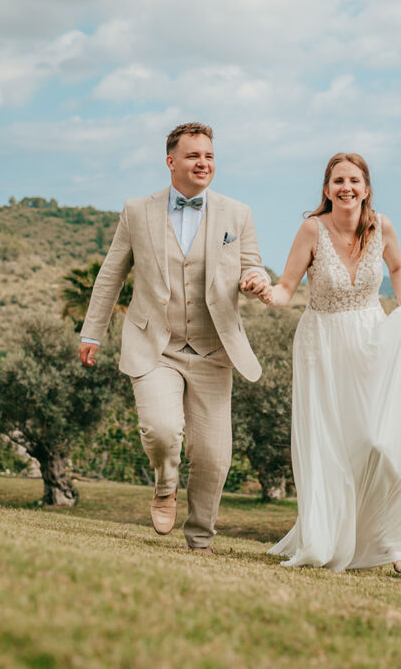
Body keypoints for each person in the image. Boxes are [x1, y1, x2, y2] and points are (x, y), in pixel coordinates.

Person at [262, 153, 401, 574]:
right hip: (323, 347)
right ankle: (328, 539)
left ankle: (397, 543)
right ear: (327, 189)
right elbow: (285, 288)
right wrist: (261, 292)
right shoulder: (311, 229)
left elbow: (400, 267)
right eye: (337, 181)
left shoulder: (382, 226)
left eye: (354, 180)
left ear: (366, 188)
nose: (346, 187)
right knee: (332, 448)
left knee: (383, 442)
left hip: (374, 343)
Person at [79, 122, 270, 553]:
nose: (203, 163)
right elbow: (111, 274)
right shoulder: (136, 211)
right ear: (171, 162)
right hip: (155, 345)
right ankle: (165, 484)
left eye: (209, 156)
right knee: (162, 431)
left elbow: (251, 264)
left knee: (214, 457)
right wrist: (93, 331)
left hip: (213, 349)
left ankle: (200, 537)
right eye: (193, 156)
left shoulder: (236, 213)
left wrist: (256, 279)